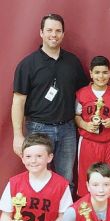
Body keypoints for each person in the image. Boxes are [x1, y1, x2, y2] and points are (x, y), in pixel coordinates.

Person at [11, 14, 89, 187]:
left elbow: (86, 92)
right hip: (38, 128)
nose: (54, 35)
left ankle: (64, 214)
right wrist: (18, 135)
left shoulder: (72, 61)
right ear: (41, 32)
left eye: (58, 31)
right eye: (49, 30)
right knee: (37, 176)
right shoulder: (27, 64)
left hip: (67, 128)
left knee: (66, 179)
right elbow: (18, 101)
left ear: (63, 34)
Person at [75, 56, 110, 198]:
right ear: (91, 73)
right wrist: (85, 125)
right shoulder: (81, 93)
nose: (101, 76)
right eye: (97, 72)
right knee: (88, 179)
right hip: (89, 142)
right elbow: (76, 115)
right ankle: (89, 218)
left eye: (104, 72)